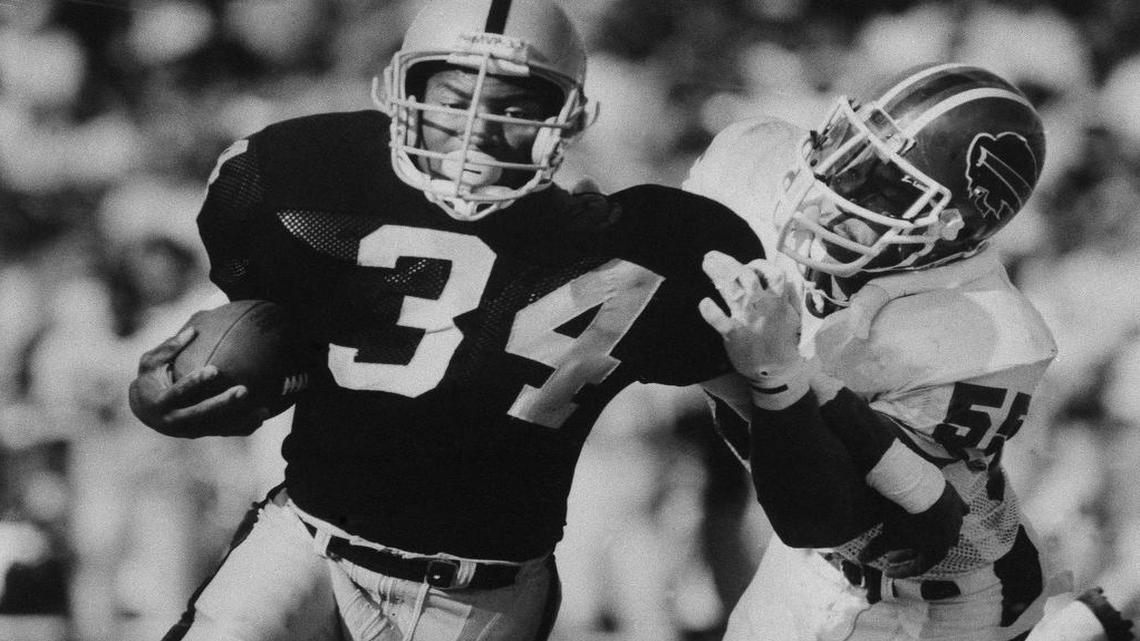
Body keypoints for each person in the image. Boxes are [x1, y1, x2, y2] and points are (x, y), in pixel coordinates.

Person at [126, 2, 970, 639]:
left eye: (513, 108)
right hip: (307, 542)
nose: (477, 133)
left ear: (568, 117)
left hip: (480, 595)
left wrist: (777, 377)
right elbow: (286, 335)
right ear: (404, 88)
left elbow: (813, 507)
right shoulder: (301, 181)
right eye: (455, 99)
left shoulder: (654, 247)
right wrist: (223, 370)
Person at [686, 61, 1135, 641]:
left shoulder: (987, 335)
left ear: (949, 224)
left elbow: (878, 519)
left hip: (939, 596)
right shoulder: (757, 167)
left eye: (881, 184)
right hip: (806, 564)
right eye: (848, 149)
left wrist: (772, 369)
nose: (831, 189)